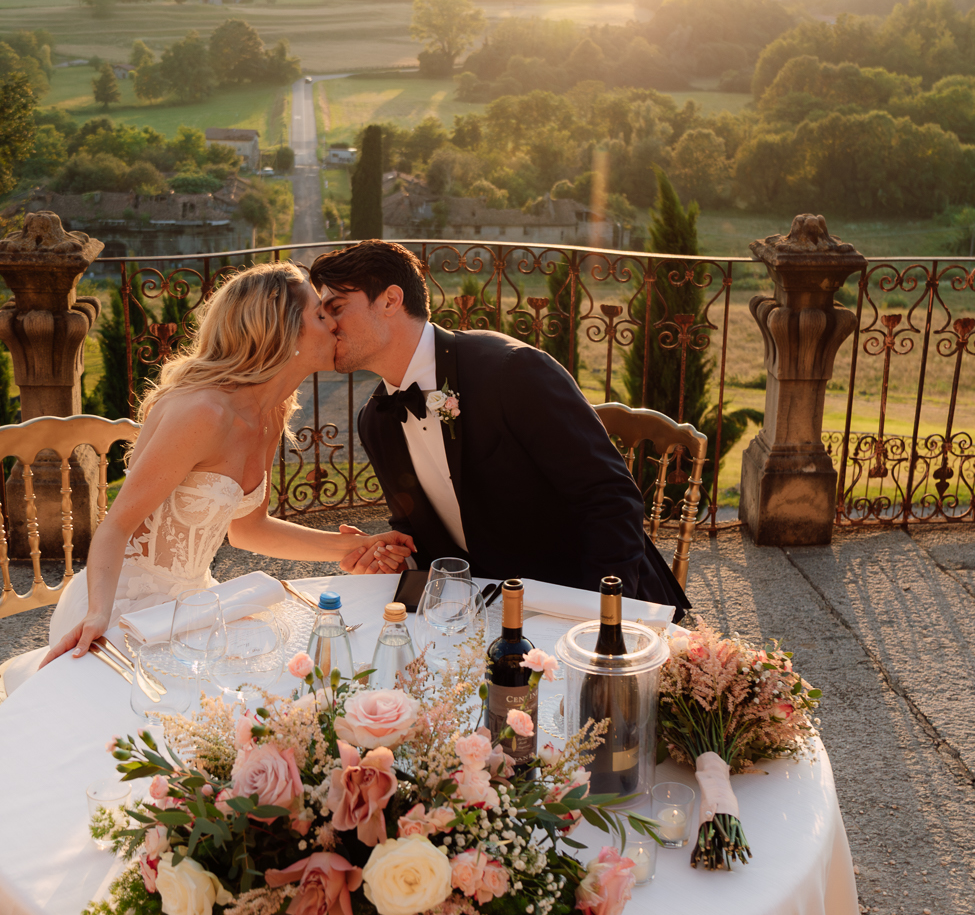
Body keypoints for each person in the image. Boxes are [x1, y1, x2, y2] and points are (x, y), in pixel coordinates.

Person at [35, 260, 415, 666]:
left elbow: (249, 530)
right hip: (127, 609)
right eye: (321, 314)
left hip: (196, 604)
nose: (335, 325)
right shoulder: (204, 412)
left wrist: (355, 545)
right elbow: (116, 526)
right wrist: (98, 615)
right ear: (283, 332)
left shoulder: (271, 413)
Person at [310, 240, 693, 618]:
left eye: (336, 307)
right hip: (486, 613)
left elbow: (609, 500)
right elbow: (415, 529)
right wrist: (397, 562)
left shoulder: (512, 371)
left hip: (589, 601)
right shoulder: (375, 420)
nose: (326, 324)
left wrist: (597, 619)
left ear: (391, 301)